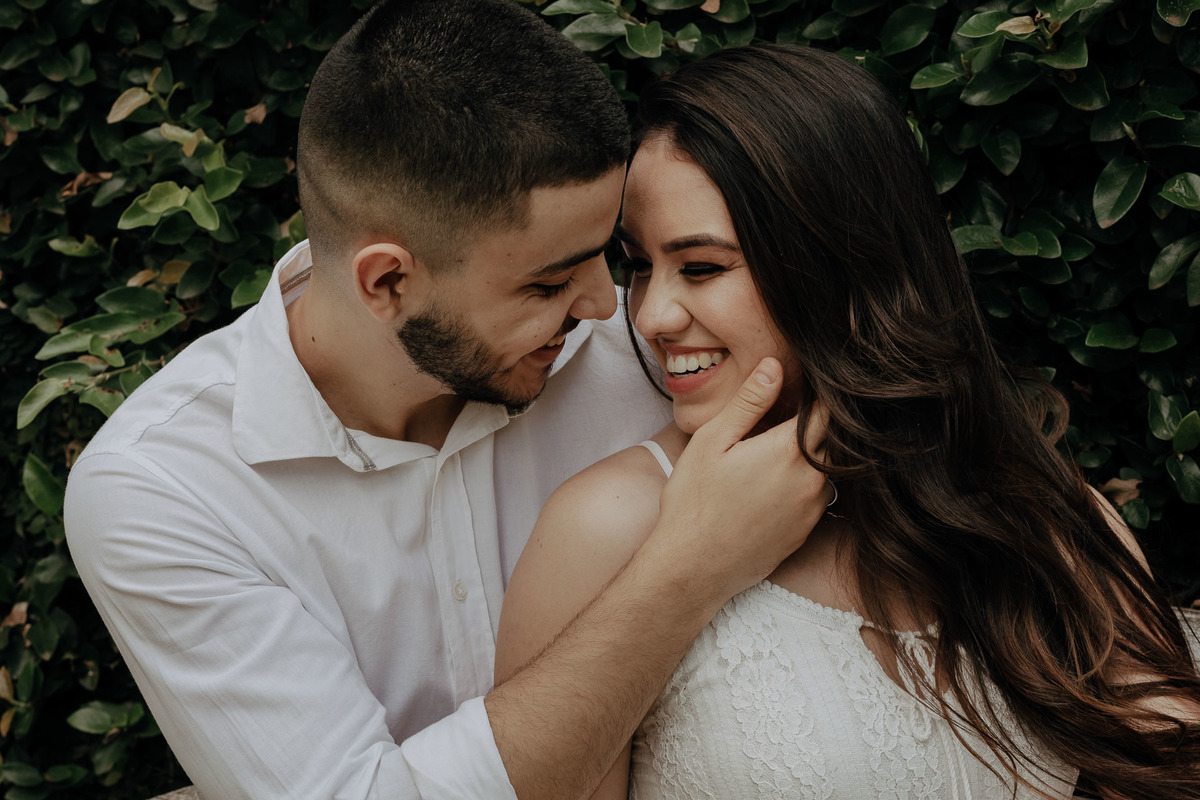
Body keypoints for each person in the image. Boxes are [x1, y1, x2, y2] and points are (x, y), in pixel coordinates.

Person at [62, 5, 834, 800]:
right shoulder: (165, 490)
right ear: (388, 282)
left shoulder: (664, 353)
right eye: (548, 283)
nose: (612, 309)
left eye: (610, 257)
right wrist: (688, 571)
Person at [496, 44, 1200, 800]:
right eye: (639, 265)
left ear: (838, 264)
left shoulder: (1032, 508)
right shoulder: (607, 526)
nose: (651, 315)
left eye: (701, 267)